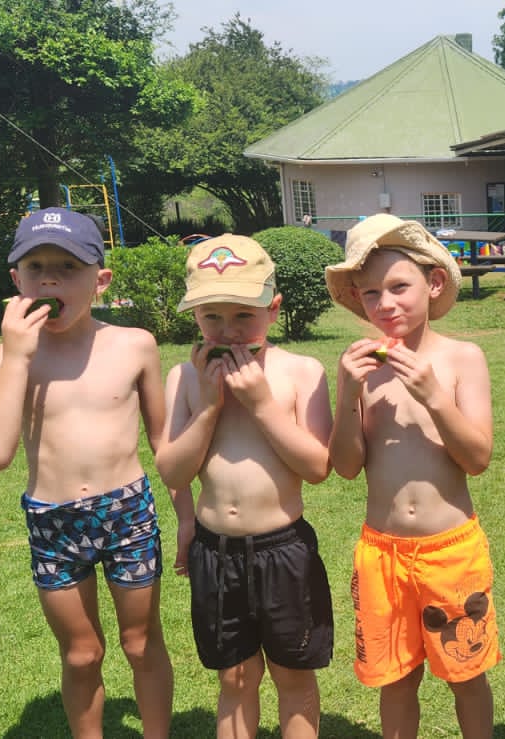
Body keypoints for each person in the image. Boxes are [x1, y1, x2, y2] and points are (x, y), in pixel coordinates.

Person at [0, 207, 175, 738]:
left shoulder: (134, 345)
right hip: (52, 520)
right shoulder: (2, 358)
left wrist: (189, 515)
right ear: (15, 279)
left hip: (126, 510)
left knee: (140, 641)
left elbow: (163, 443)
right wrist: (18, 357)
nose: (50, 278)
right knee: (82, 653)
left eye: (68, 266)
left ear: (100, 280)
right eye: (35, 266)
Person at [324, 214, 499, 739]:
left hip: (451, 550)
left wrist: (433, 396)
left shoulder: (462, 358)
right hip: (382, 552)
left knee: (466, 675)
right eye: (371, 292)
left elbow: (477, 457)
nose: (386, 303)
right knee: (395, 680)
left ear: (434, 284)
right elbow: (347, 466)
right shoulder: (360, 367)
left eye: (399, 286)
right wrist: (347, 393)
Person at [156, 234, 336, 739]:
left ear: (273, 309)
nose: (228, 331)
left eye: (243, 316)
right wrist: (211, 405)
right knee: (234, 676)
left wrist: (260, 404)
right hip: (216, 552)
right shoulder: (185, 379)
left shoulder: (301, 372)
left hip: (284, 548)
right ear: (193, 316)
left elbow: (317, 466)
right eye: (212, 317)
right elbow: (173, 472)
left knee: (294, 676)